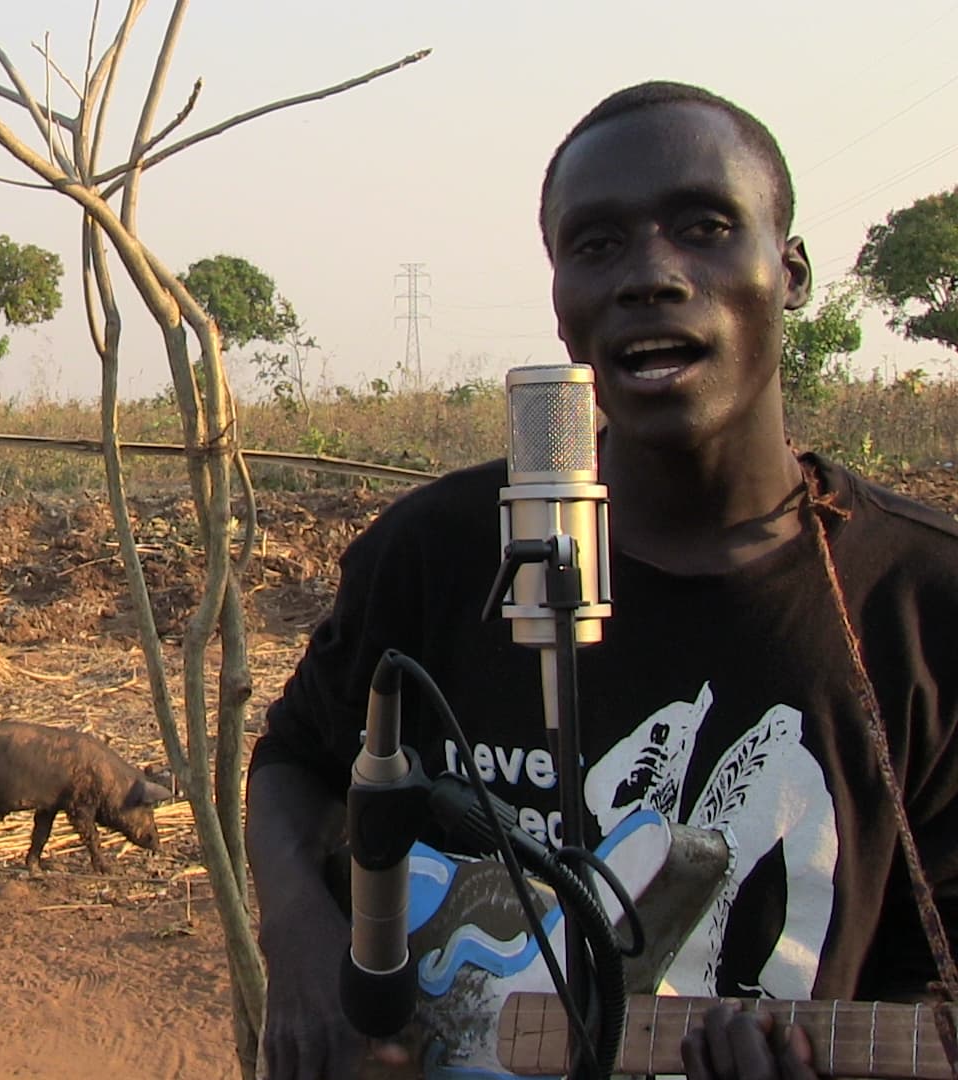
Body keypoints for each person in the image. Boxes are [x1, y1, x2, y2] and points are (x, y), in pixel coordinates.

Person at [246, 80, 958, 1080]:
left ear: (789, 272)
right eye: (597, 246)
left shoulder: (922, 604)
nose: (651, 276)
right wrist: (306, 953)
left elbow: (929, 994)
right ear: (560, 303)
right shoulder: (440, 552)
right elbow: (296, 759)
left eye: (706, 228)